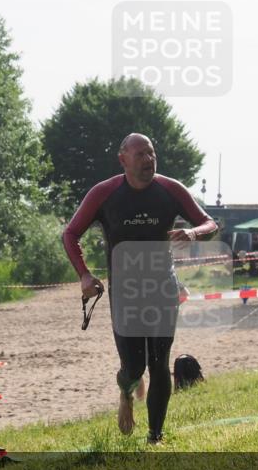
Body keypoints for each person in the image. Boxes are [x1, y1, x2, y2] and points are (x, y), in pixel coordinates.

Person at [62, 133, 218, 444]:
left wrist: (193, 233)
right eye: (140, 154)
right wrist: (84, 275)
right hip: (126, 292)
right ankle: (126, 390)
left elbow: (210, 223)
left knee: (159, 362)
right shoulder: (104, 193)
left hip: (162, 286)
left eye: (151, 153)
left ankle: (155, 436)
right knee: (133, 365)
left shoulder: (170, 189)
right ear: (123, 159)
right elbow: (70, 234)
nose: (148, 160)